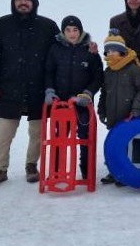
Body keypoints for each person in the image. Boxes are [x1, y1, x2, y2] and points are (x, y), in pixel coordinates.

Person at [0, 0, 60, 188]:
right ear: (13, 2)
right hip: (10, 87)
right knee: (3, 132)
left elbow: (61, 54)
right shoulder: (1, 25)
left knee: (37, 132)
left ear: (34, 2)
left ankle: (31, 165)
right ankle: (0, 168)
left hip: (39, 88)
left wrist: (86, 46)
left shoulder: (48, 26)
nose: (23, 2)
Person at [44, 15, 103, 179]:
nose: (72, 33)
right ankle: (56, 171)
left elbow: (97, 76)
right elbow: (49, 72)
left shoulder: (89, 50)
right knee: (59, 137)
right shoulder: (55, 49)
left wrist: (88, 93)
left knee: (85, 136)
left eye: (75, 30)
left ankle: (87, 170)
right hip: (61, 103)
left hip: (81, 103)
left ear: (80, 31)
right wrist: (49, 90)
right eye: (68, 30)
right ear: (63, 32)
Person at [98, 31, 140, 185]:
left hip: (129, 117)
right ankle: (113, 171)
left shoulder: (132, 69)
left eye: (114, 50)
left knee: (128, 146)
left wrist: (136, 107)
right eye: (108, 50)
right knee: (113, 145)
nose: (111, 53)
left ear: (121, 51)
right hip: (113, 116)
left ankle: (126, 174)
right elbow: (104, 92)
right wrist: (101, 110)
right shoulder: (108, 71)